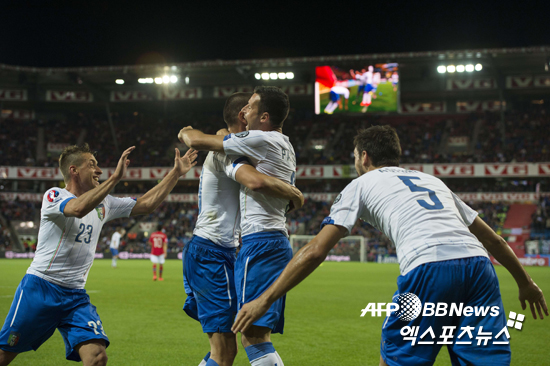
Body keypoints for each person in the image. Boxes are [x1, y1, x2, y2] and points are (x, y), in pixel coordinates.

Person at [232, 125, 549, 366]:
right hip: (480, 268)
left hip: (429, 268)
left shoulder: (361, 184)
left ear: (364, 157)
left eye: (355, 157)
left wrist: (265, 299)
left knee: (397, 356)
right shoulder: (431, 181)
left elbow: (316, 250)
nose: (355, 163)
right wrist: (526, 283)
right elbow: (492, 238)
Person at [0, 143, 198, 366]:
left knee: (97, 357)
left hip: (75, 296)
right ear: (74, 170)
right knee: (4, 354)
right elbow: (77, 209)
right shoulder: (54, 195)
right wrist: (114, 179)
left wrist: (175, 174)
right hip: (40, 289)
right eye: (92, 165)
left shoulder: (105, 202)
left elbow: (146, 204)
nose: (99, 170)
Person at [180, 92, 303, 366]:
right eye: (247, 107)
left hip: (236, 249)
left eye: (253, 105)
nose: (249, 110)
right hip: (212, 252)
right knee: (232, 346)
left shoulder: (247, 146)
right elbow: (253, 180)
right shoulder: (231, 153)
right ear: (242, 116)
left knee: (236, 345)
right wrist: (295, 193)